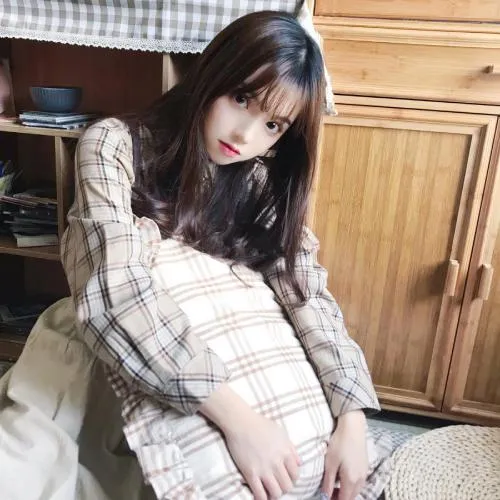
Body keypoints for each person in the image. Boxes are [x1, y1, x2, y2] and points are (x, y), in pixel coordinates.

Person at [0, 10, 391, 500]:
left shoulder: (257, 183)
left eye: (272, 124)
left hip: (215, 355)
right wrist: (239, 421)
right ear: (212, 72)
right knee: (27, 470)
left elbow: (307, 294)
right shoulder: (114, 144)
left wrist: (351, 417)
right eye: (241, 98)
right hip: (99, 351)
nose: (246, 134)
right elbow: (113, 295)